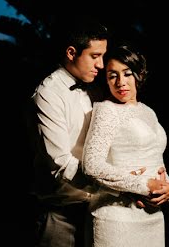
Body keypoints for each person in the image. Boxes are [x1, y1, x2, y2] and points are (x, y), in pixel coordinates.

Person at [83, 44, 169, 247]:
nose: (120, 83)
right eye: (112, 76)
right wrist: (143, 186)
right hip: (117, 219)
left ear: (139, 75)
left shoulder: (148, 112)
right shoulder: (107, 110)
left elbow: (154, 158)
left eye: (127, 74)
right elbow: (91, 165)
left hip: (152, 217)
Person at [28, 20, 110, 246]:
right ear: (72, 53)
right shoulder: (48, 94)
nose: (101, 65)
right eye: (95, 56)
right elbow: (60, 163)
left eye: (103, 56)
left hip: (97, 209)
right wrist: (117, 184)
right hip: (61, 214)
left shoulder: (94, 88)